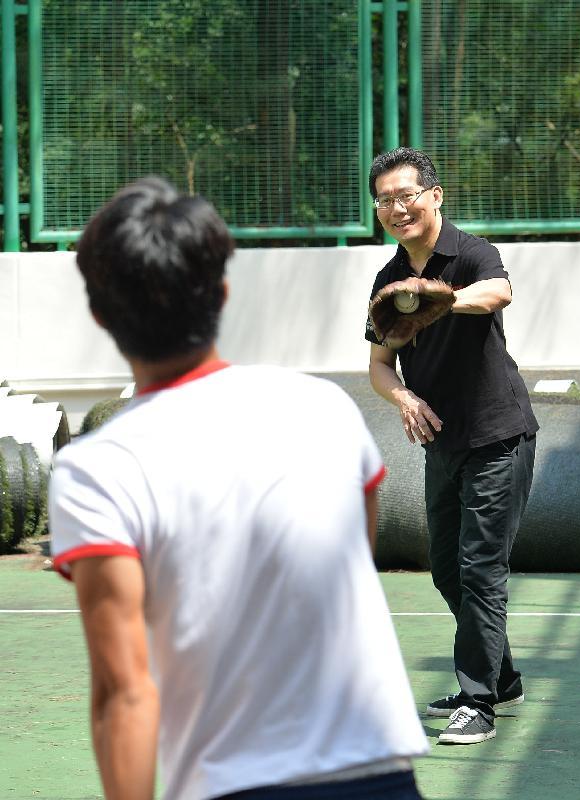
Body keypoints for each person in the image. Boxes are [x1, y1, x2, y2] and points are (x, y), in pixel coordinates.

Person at [49, 177, 429, 800]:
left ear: (99, 315)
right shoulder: (324, 408)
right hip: (381, 773)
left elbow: (124, 691)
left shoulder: (95, 470)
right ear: (222, 293)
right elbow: (345, 571)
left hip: (233, 784)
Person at [365, 148, 538, 745]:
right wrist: (405, 401)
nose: (397, 208)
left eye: (406, 194)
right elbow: (380, 366)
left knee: (480, 567)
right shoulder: (387, 283)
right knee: (446, 568)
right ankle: (503, 678)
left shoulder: (471, 253)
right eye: (385, 199)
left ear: (435, 195)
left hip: (498, 433)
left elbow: (498, 293)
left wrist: (440, 299)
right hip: (442, 439)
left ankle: (478, 702)